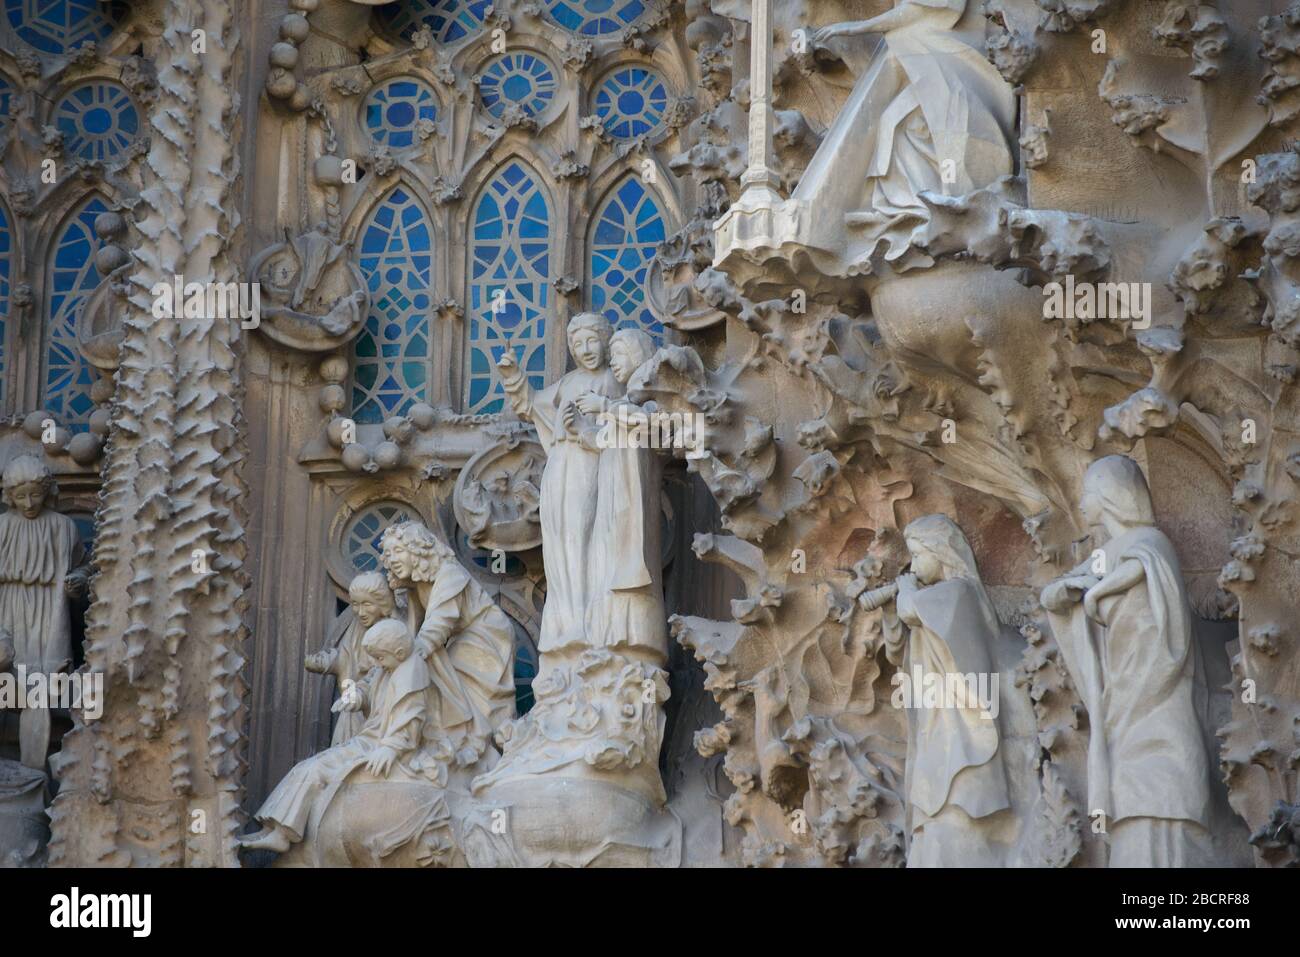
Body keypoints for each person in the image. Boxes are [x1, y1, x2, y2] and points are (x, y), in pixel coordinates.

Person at [1041, 455, 1213, 867]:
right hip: (1121, 689)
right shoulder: (1108, 552)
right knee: (1128, 785)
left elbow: (1145, 568)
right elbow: (1055, 593)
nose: (1082, 502)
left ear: (1111, 497)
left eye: (1089, 492)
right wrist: (1070, 591)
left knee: (1160, 783)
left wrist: (1097, 593)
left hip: (1157, 686)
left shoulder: (1149, 542)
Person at [801, 0, 1015, 273]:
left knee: (915, 125)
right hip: (919, 57)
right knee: (891, 121)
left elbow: (913, 13)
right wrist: (837, 45)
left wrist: (854, 28)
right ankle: (908, 205)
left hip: (941, 57)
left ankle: (938, 200)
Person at [239, 618, 431, 853]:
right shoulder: (388, 666)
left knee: (314, 769)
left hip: (375, 746)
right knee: (306, 767)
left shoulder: (411, 674)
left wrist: (390, 747)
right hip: (368, 739)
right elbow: (368, 684)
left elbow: (411, 718)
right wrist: (355, 697)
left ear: (399, 652)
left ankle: (282, 834)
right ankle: (274, 830)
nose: (377, 664)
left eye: (380, 658)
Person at [890, 514, 1011, 866]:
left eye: (918, 555)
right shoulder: (938, 598)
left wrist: (905, 591)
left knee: (956, 814)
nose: (912, 566)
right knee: (936, 821)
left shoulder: (959, 592)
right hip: (937, 722)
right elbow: (904, 643)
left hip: (961, 728)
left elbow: (910, 610)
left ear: (942, 552)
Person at [496, 313, 621, 652]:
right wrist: (513, 375)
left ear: (606, 341)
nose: (586, 350)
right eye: (578, 344)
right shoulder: (568, 382)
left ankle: (591, 624)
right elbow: (532, 404)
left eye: (592, 340)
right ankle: (565, 623)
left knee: (586, 537)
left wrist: (592, 419)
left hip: (592, 464)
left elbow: (630, 425)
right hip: (561, 467)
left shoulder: (614, 379)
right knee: (560, 543)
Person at [379, 521, 514, 769]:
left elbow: (440, 623)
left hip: (483, 635)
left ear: (418, 550)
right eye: (388, 554)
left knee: (467, 687)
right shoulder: (417, 584)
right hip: (455, 637)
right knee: (436, 671)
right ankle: (450, 739)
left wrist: (413, 655)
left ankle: (477, 745)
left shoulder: (450, 574)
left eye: (399, 551)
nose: (392, 559)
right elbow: (414, 629)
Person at [573, 328, 668, 658]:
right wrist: (583, 429)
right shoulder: (623, 404)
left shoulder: (651, 398)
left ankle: (635, 644)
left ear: (639, 355)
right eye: (611, 354)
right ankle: (610, 640)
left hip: (633, 504)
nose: (612, 361)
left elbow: (652, 426)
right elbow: (604, 443)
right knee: (607, 573)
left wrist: (604, 405)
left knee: (630, 577)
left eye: (620, 353)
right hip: (612, 506)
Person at [0, 455, 86, 769]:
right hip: (7, 612)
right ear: (8, 496)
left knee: (39, 693)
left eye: (35, 494)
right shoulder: (2, 527)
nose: (28, 503)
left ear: (47, 491)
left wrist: (79, 582)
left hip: (50, 616)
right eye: (20, 496)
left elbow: (82, 567)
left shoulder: (63, 527)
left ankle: (31, 774)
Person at [304, 571, 396, 745]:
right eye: (355, 604)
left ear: (383, 602)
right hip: (355, 701)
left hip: (381, 704)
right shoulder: (357, 627)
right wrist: (325, 662)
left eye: (367, 604)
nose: (360, 612)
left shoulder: (394, 629)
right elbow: (346, 656)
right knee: (348, 716)